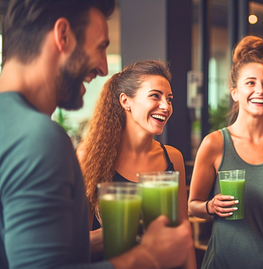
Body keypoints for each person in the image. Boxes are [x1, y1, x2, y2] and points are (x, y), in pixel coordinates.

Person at [0, 0, 192, 268]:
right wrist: (147, 256)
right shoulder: (39, 138)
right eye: (101, 46)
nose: (103, 68)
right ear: (63, 35)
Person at [188, 35, 263, 269]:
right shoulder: (214, 143)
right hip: (224, 263)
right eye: (250, 83)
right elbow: (192, 205)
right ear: (235, 92)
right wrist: (210, 206)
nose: (260, 91)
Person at [77, 59, 196, 268]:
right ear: (126, 101)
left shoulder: (173, 158)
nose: (165, 106)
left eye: (169, 99)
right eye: (155, 96)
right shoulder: (90, 157)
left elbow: (183, 234)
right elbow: (78, 244)